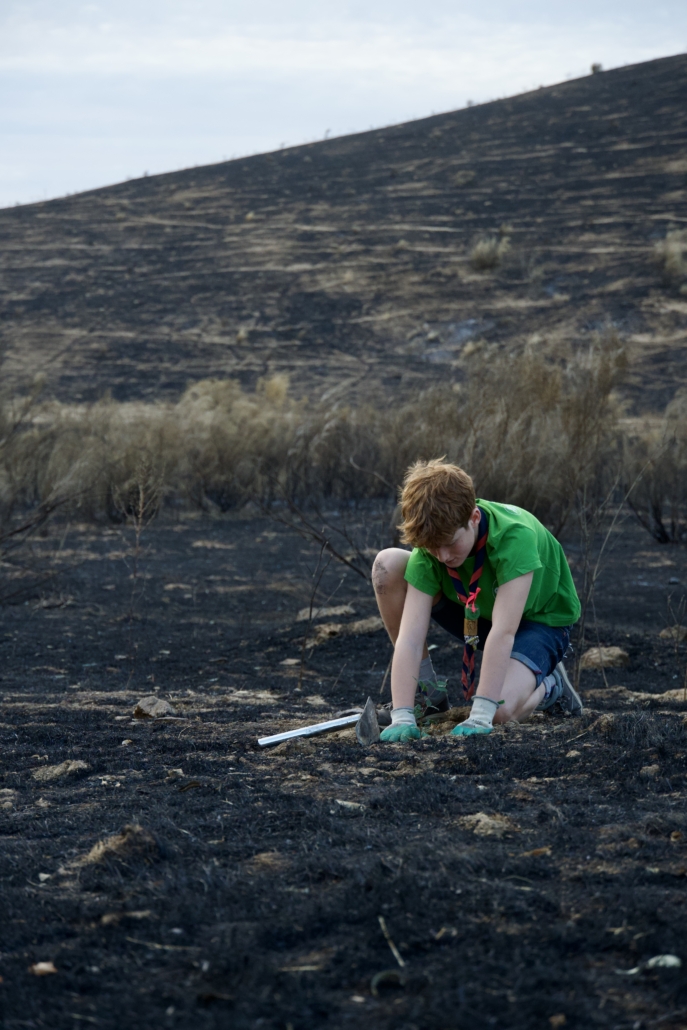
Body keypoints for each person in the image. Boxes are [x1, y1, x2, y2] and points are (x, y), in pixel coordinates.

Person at [372, 459, 582, 742]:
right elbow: (409, 638)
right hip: (478, 614)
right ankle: (428, 695)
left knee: (501, 712)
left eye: (451, 542)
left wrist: (482, 712)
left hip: (538, 621)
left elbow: (504, 631)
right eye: (433, 547)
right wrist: (402, 714)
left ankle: (551, 684)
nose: (443, 556)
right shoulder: (431, 546)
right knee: (388, 563)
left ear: (473, 518)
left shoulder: (514, 536)